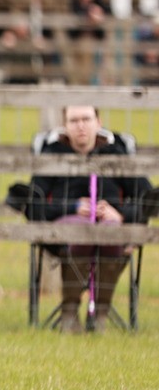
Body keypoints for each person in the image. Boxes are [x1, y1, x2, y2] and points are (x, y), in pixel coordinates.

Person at [24, 105, 153, 333]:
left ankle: (100, 314)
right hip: (64, 229)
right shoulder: (52, 154)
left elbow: (148, 198)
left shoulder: (116, 153)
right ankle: (70, 313)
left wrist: (121, 214)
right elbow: (33, 203)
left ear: (98, 122)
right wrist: (73, 207)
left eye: (86, 119)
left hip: (111, 228)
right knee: (81, 229)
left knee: (111, 230)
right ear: (65, 125)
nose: (81, 126)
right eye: (74, 120)